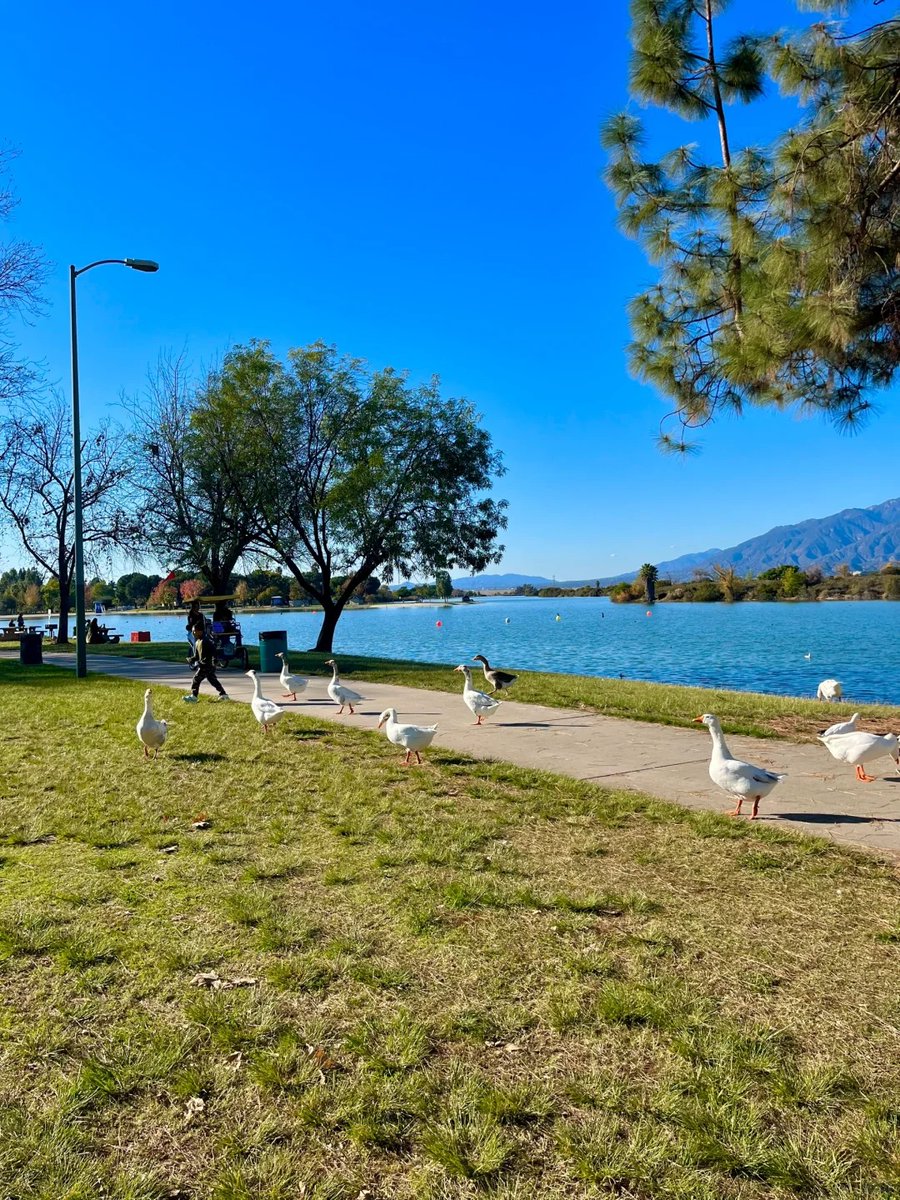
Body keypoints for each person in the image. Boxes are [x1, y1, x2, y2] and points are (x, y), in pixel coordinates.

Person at [183, 623, 230, 703]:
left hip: (206, 665)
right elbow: (197, 656)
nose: (193, 633)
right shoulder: (197, 642)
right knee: (213, 680)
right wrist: (192, 659)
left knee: (196, 679)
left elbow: (214, 651)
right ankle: (223, 695)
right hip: (204, 665)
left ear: (200, 631)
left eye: (195, 631)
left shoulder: (206, 641)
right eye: (193, 631)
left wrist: (214, 660)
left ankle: (194, 696)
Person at [185, 599, 203, 664]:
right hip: (192, 632)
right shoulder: (191, 615)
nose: (197, 608)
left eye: (198, 606)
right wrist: (195, 624)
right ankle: (196, 659)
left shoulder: (201, 615)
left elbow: (204, 621)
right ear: (193, 607)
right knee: (196, 642)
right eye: (196, 606)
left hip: (201, 632)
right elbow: (190, 624)